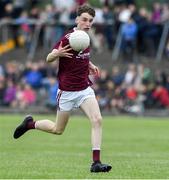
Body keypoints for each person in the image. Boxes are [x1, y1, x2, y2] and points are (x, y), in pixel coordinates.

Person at [13, 4, 112, 173]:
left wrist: (90, 65)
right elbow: (48, 58)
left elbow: (80, 57)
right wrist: (56, 54)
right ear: (77, 20)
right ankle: (30, 124)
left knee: (97, 120)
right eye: (84, 20)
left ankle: (96, 163)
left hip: (84, 89)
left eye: (90, 21)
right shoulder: (67, 38)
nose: (88, 23)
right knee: (57, 130)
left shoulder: (85, 38)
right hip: (67, 92)